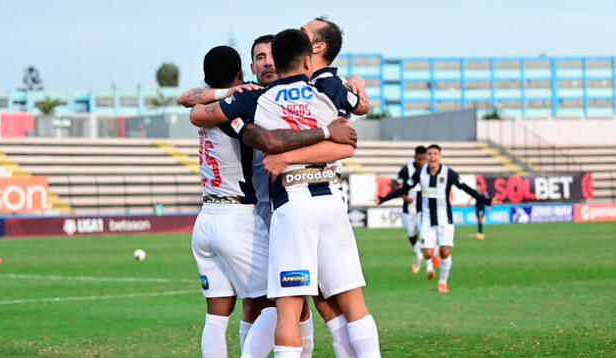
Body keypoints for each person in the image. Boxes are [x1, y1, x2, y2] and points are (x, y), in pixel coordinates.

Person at [190, 29, 381, 358]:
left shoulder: (256, 99)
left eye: (269, 57)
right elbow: (349, 138)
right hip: (328, 201)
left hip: (287, 208)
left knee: (291, 307)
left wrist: (287, 155)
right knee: (345, 303)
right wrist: (356, 85)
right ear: (306, 60)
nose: (265, 63)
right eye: (258, 58)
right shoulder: (323, 90)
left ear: (279, 61)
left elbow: (197, 112)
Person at [377, 144, 496, 293]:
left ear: (440, 156)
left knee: (445, 252)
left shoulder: (448, 173)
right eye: (430, 154)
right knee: (427, 253)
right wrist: (383, 199)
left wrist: (487, 200)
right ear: (426, 157)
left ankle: (442, 282)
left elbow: (466, 188)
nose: (432, 157)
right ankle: (431, 259)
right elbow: (403, 189)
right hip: (426, 219)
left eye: (435, 154)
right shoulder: (420, 173)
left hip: (445, 219)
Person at [391, 145, 428, 274]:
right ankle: (419, 255)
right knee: (411, 236)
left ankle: (429, 259)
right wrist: (405, 197)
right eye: (419, 159)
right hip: (408, 209)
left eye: (424, 159)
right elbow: (394, 184)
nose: (421, 162)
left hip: (423, 209)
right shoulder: (407, 169)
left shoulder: (430, 170)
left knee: (425, 234)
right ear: (415, 157)